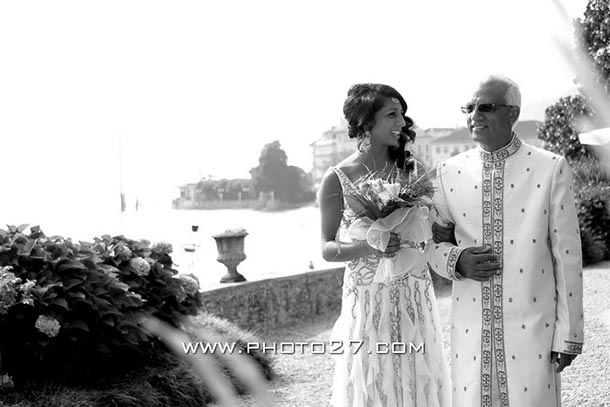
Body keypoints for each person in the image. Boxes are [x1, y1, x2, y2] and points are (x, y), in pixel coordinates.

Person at [426, 74, 584, 407]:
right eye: (469, 107)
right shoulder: (447, 173)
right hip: (471, 330)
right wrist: (458, 260)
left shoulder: (549, 168)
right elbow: (431, 247)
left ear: (512, 113)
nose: (474, 115)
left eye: (485, 107)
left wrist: (568, 335)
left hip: (532, 328)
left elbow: (567, 256)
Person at [319, 83, 451, 406]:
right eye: (392, 115)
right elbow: (326, 247)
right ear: (366, 122)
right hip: (367, 298)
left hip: (413, 293)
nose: (402, 123)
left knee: (418, 378)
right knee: (372, 381)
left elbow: (431, 229)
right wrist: (369, 247)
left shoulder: (411, 169)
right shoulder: (337, 178)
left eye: (403, 115)